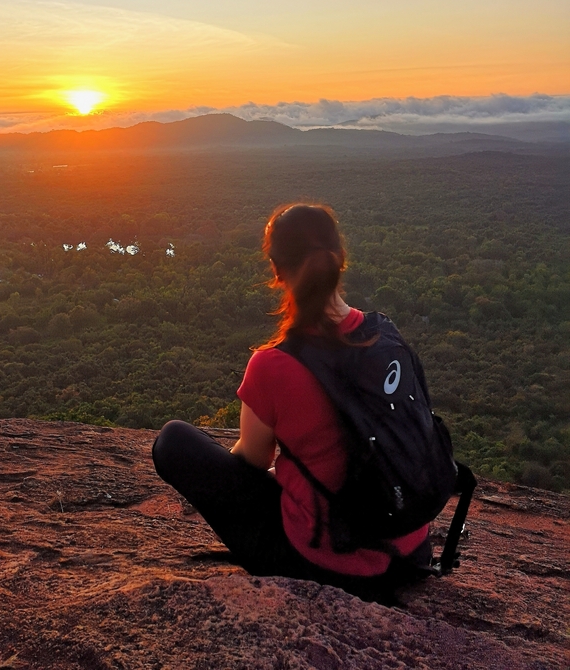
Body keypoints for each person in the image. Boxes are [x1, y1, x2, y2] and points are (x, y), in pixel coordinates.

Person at [152, 203, 432, 601]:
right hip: (411, 548)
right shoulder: (384, 333)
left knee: (173, 442)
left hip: (334, 566)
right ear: (341, 260)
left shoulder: (273, 364)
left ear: (277, 269)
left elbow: (252, 461)